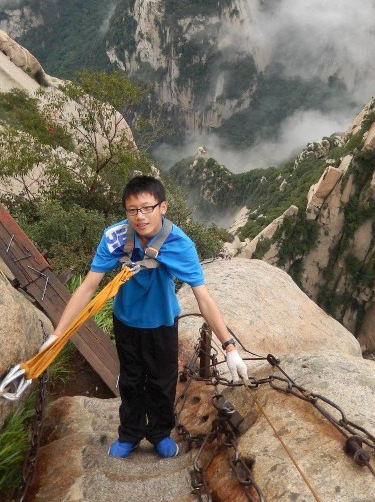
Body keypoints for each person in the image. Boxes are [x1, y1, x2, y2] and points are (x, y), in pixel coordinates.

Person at [41, 175, 249, 458]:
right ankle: (130, 433)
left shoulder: (179, 243)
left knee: (163, 381)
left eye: (147, 208)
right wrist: (57, 334)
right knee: (130, 380)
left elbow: (203, 297)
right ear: (126, 212)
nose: (140, 217)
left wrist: (229, 346)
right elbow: (89, 286)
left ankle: (160, 433)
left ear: (162, 207)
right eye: (132, 210)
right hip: (126, 321)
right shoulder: (114, 237)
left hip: (162, 322)